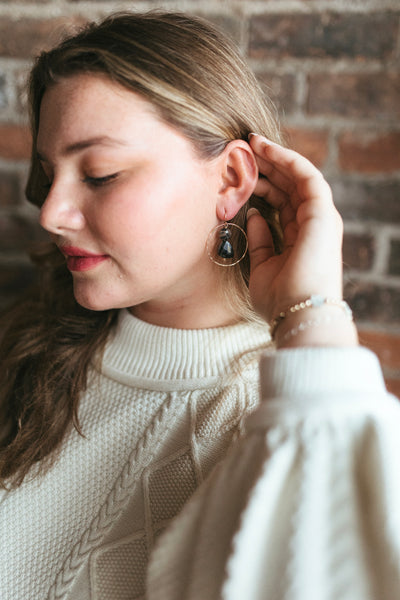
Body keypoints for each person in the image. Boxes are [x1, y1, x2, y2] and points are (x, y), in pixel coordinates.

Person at [0, 10, 399, 600]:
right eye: (47, 173)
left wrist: (312, 321)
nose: (52, 213)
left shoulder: (278, 413)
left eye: (101, 174)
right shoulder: (28, 341)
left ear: (230, 179)